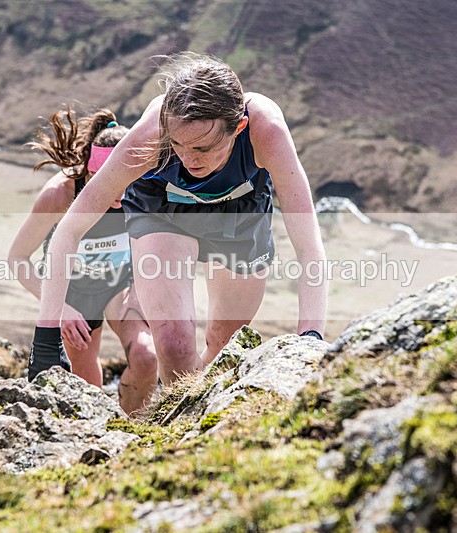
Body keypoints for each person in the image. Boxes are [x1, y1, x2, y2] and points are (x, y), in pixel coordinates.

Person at [33, 53, 328, 386]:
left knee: (224, 345)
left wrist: (311, 338)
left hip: (240, 213)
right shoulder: (150, 135)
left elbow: (308, 247)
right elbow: (70, 229)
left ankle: (206, 409)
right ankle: (174, 416)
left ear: (238, 127)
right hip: (162, 209)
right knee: (174, 346)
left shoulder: (266, 130)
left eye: (203, 148)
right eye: (177, 145)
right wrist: (45, 339)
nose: (188, 159)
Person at [9, 108, 157, 416]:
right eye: (105, 182)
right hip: (72, 293)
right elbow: (17, 259)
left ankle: (132, 430)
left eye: (124, 182)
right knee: (85, 388)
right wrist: (60, 308)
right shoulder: (59, 195)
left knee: (146, 358)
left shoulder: (145, 187)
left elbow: (156, 242)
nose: (118, 195)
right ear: (89, 171)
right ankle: (96, 434)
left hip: (119, 287)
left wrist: (139, 289)